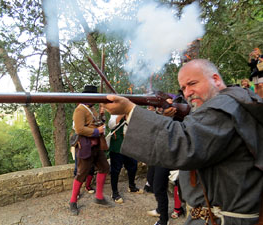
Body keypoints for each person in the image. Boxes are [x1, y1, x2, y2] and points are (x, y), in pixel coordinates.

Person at [103, 59, 263, 225]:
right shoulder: (232, 101)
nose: (187, 93)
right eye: (184, 88)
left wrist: (130, 110)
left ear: (215, 79)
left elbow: (183, 144)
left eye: (192, 83)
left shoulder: (223, 106)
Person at [69, 85, 110, 215]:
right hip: (85, 145)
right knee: (81, 174)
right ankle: (73, 201)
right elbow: (79, 129)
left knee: (104, 168)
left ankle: (98, 197)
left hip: (97, 145)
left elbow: (95, 122)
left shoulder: (91, 108)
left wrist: (102, 115)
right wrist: (97, 131)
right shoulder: (80, 109)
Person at [108, 114, 143, 204]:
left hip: (129, 146)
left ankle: (132, 186)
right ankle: (114, 193)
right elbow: (111, 125)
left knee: (133, 166)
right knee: (115, 170)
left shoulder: (132, 113)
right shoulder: (115, 113)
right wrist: (122, 114)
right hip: (117, 147)